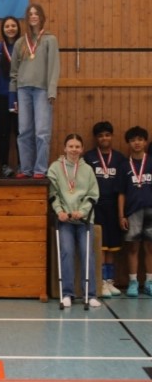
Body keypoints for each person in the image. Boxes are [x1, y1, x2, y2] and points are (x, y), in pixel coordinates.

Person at [48, 133, 101, 308]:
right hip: (65, 220)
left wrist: (83, 211)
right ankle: (67, 293)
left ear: (82, 149)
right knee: (67, 252)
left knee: (88, 254)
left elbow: (93, 195)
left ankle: (90, 294)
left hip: (84, 220)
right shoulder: (55, 168)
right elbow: (52, 193)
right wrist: (59, 211)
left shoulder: (87, 170)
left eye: (77, 146)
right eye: (70, 146)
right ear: (65, 148)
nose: (74, 149)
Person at [10, 3, 60, 179]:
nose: (33, 16)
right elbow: (13, 72)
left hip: (42, 90)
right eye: (30, 14)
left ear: (41, 16)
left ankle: (40, 169)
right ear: (26, 17)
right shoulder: (20, 42)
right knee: (24, 132)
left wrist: (52, 91)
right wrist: (12, 96)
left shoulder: (50, 39)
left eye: (36, 13)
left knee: (42, 132)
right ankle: (26, 168)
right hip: (23, 90)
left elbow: (54, 67)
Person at [84, 121, 126, 298]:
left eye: (107, 135)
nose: (104, 138)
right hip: (96, 205)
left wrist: (121, 212)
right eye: (100, 135)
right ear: (96, 138)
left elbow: (123, 188)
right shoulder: (89, 157)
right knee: (100, 245)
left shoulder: (120, 158)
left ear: (112, 136)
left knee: (112, 246)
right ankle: (100, 281)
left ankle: (110, 281)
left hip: (114, 205)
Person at [117, 126, 152, 297]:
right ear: (128, 143)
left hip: (151, 211)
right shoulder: (124, 165)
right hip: (132, 212)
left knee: (150, 248)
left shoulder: (151, 162)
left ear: (145, 141)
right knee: (133, 248)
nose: (136, 143)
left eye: (140, 139)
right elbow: (121, 193)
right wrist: (121, 215)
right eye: (133, 140)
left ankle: (149, 282)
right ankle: (132, 282)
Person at [0, 16, 21, 178]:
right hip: (2, 96)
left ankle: (22, 165)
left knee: (20, 132)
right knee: (3, 133)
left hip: (21, 96)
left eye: (13, 26)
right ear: (3, 30)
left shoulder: (24, 47)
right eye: (7, 26)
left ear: (18, 28)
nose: (10, 28)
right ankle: (4, 165)